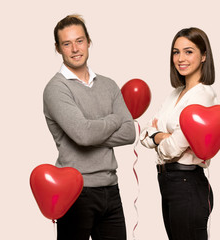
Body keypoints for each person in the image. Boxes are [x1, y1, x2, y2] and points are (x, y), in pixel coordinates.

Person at [43, 14, 136, 240]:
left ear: (89, 41)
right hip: (74, 193)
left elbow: (130, 132)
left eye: (80, 40)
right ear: (58, 48)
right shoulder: (56, 89)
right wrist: (114, 119)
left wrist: (89, 131)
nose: (75, 48)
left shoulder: (109, 85)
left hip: (111, 190)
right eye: (67, 43)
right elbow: (83, 135)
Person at [140, 27, 217, 240]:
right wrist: (159, 136)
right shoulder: (175, 94)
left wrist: (159, 136)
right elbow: (145, 133)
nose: (180, 58)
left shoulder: (202, 96)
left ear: (203, 56)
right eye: (176, 52)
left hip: (187, 182)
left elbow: (174, 147)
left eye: (188, 51)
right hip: (169, 182)